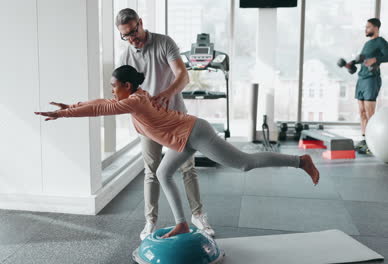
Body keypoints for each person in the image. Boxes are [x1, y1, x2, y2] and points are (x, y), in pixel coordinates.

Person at [35, 65, 320, 239]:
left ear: (127, 86)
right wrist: (71, 106)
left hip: (196, 132)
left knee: (243, 164)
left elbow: (101, 108)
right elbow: (100, 101)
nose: (111, 91)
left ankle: (300, 161)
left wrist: (65, 116)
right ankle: (183, 224)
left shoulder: (135, 102)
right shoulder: (136, 96)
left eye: (114, 86)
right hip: (182, 140)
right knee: (163, 172)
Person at [114, 8, 214, 239]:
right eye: (125, 35)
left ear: (140, 22)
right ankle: (151, 221)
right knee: (151, 172)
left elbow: (183, 75)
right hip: (149, 124)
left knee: (188, 169)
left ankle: (198, 216)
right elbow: (123, 92)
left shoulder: (164, 43)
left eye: (133, 31)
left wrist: (167, 93)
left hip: (176, 118)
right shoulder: (125, 56)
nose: (131, 38)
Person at [347, 18, 388, 154]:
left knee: (370, 113)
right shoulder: (367, 43)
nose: (366, 29)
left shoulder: (380, 42)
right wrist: (352, 63)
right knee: (362, 112)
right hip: (362, 78)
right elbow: (363, 58)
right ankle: (365, 140)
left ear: (376, 28)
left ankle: (372, 142)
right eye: (366, 27)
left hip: (371, 79)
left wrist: (376, 59)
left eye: (368, 27)